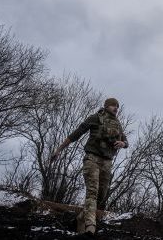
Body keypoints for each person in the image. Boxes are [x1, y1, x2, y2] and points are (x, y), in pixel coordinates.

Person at [51, 97, 128, 234]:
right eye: (112, 105)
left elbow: (125, 141)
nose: (116, 108)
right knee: (92, 191)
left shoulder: (117, 124)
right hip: (92, 158)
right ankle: (90, 227)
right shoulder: (95, 118)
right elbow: (76, 133)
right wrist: (59, 149)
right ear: (106, 106)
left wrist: (123, 144)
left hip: (107, 162)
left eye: (117, 106)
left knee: (101, 196)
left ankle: (82, 217)